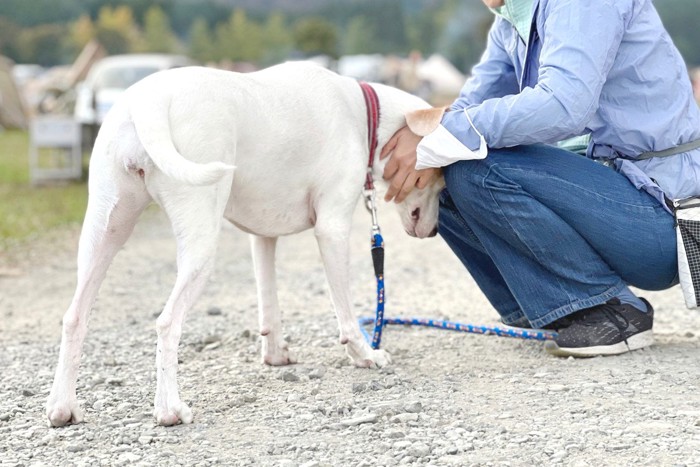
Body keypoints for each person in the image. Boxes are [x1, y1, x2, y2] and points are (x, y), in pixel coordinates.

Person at [381, 0, 700, 357]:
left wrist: (436, 135)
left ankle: (611, 312)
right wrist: (425, 138)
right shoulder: (512, 21)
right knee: (449, 164)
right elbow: (470, 108)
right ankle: (557, 310)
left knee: (473, 166)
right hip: (617, 203)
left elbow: (564, 106)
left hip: (665, 216)